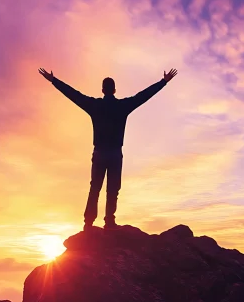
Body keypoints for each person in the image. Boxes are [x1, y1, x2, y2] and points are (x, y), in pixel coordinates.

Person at [38, 67, 178, 230]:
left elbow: (73, 95)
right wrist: (163, 82)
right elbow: (143, 96)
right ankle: (109, 221)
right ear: (114, 90)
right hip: (115, 154)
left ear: (103, 90)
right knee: (113, 189)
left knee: (95, 188)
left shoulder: (94, 105)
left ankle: (89, 223)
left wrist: (54, 81)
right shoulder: (123, 106)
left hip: (99, 153)